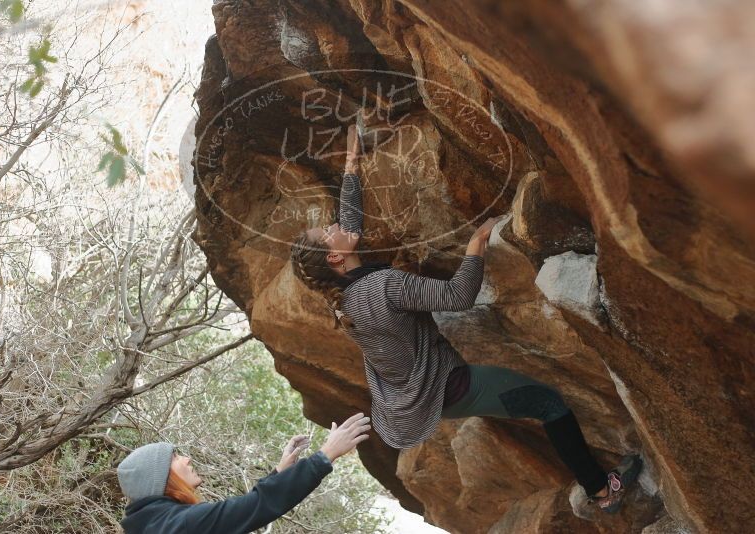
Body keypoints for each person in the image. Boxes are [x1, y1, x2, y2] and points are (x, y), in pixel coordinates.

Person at [289, 124, 641, 513]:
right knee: (548, 404)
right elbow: (457, 296)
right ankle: (602, 492)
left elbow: (350, 223)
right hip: (451, 388)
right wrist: (476, 244)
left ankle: (596, 486)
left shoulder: (343, 296)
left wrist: (353, 164)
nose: (335, 225)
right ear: (335, 258)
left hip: (419, 396)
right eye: (328, 232)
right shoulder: (384, 287)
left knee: (538, 403)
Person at [116, 412, 371, 533]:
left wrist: (279, 471)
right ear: (160, 479)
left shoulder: (156, 526)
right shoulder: (181, 525)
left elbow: (240, 511)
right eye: (175, 458)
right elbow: (257, 505)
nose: (186, 459)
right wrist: (325, 455)